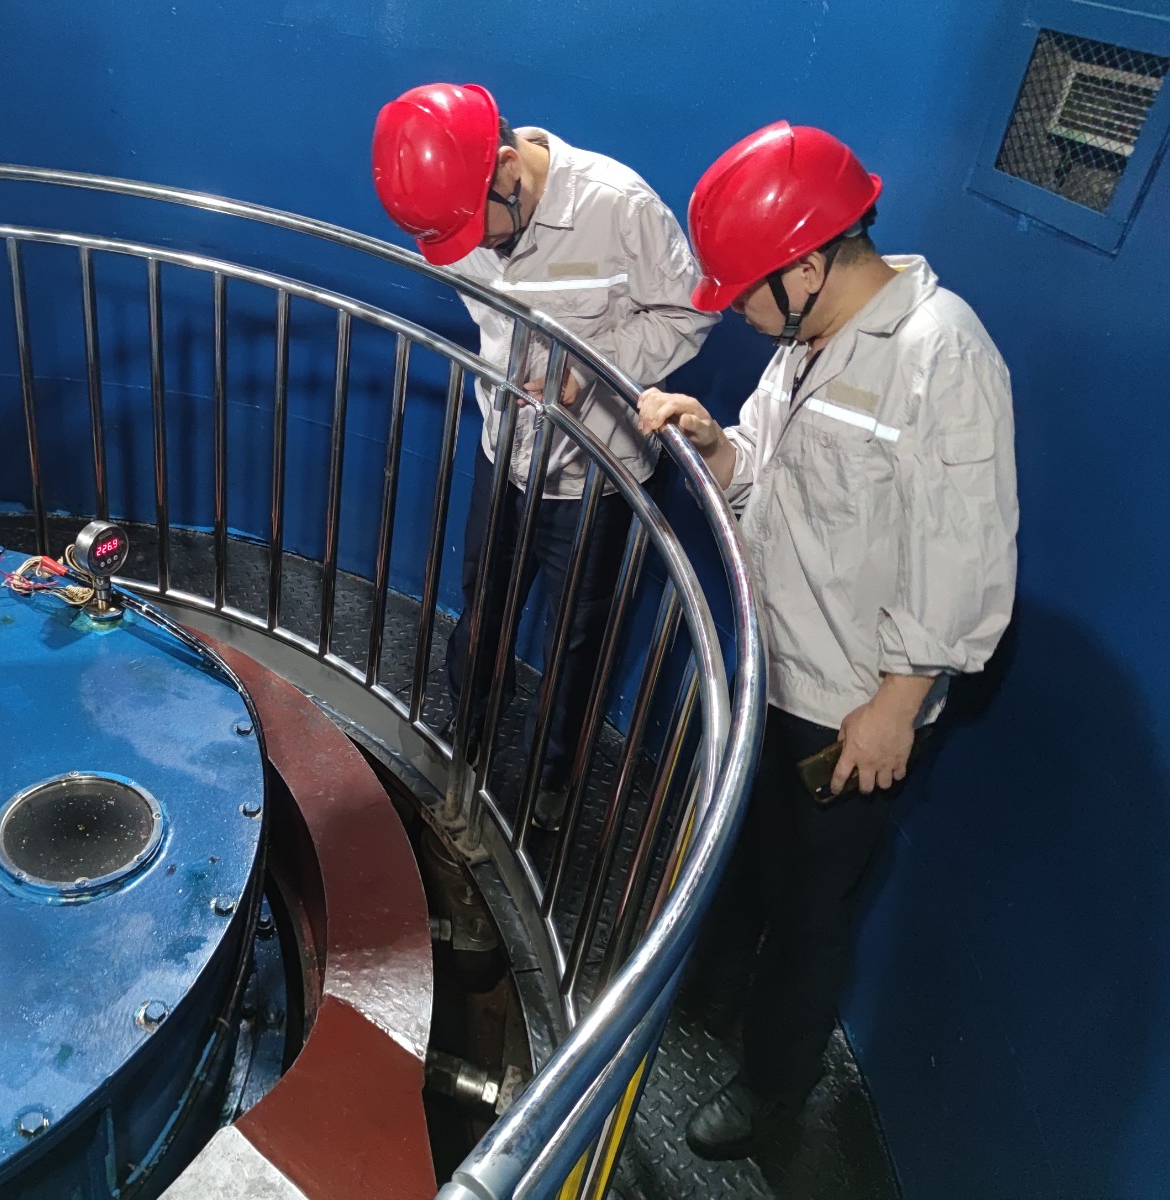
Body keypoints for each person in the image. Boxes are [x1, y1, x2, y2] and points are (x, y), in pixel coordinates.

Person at [638, 122, 1018, 1158]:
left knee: (812, 911)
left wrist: (897, 704)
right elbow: (763, 469)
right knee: (751, 862)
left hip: (848, 707)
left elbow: (966, 552)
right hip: (773, 666)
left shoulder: (942, 355)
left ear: (805, 266)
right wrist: (716, 444)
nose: (737, 311)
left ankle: (773, 1090)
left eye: (744, 292)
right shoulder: (807, 342)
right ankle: (714, 995)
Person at [371, 82, 718, 828]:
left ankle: (549, 782)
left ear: (505, 168)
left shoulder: (619, 205)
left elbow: (687, 314)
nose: (478, 250)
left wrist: (588, 368)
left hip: (597, 476)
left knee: (575, 640)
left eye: (480, 231)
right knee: (482, 610)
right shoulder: (454, 208)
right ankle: (464, 746)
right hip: (505, 453)